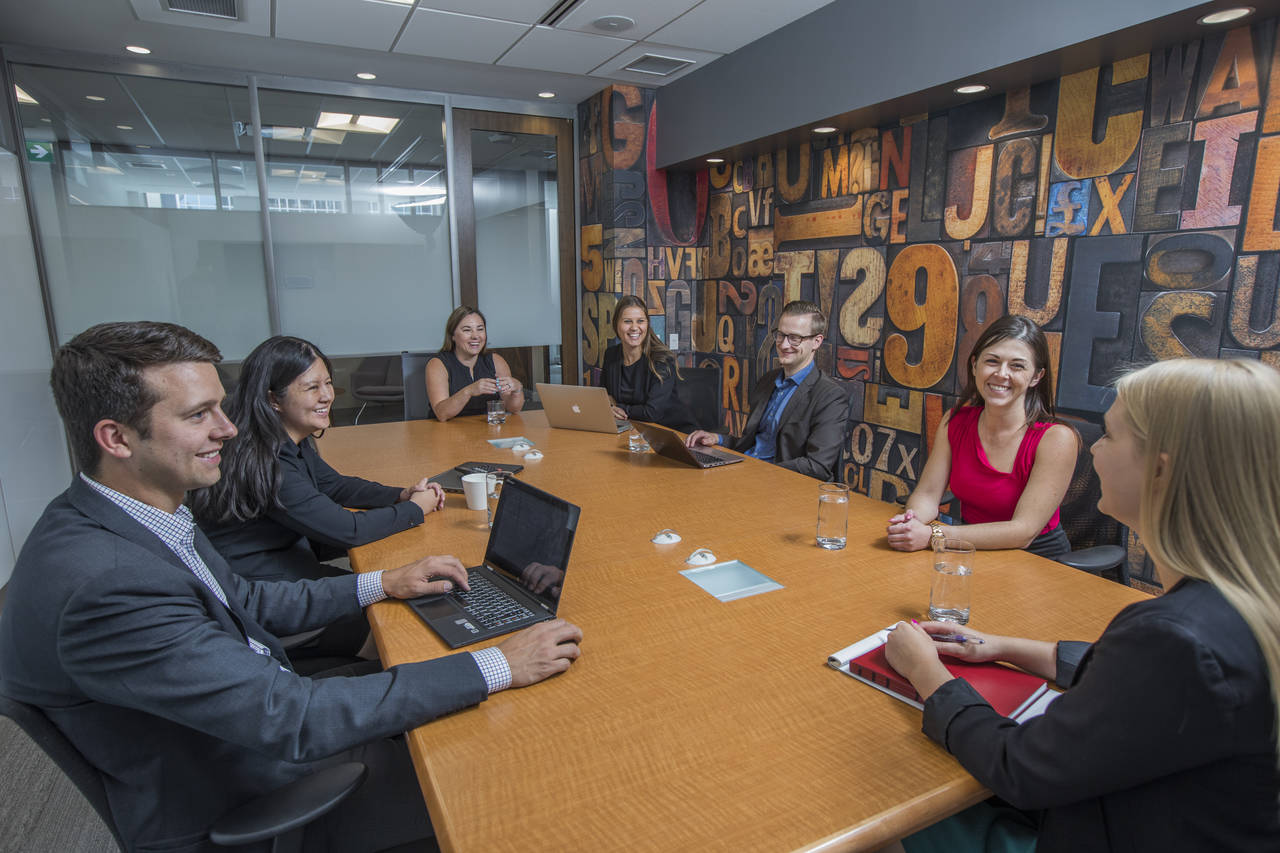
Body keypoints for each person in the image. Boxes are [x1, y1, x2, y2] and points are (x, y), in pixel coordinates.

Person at [0, 321, 583, 853]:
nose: (228, 429)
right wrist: (498, 664)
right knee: (521, 768)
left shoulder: (132, 513)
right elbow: (295, 719)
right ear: (116, 438)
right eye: (199, 415)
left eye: (220, 409)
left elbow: (247, 600)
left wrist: (384, 581)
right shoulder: (107, 583)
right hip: (249, 789)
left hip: (251, 715)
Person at [882, 358, 1280, 853]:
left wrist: (927, 674)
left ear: (1160, 468)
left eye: (1110, 436)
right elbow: (1147, 686)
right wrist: (1004, 647)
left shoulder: (1175, 637)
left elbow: (1019, 768)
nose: (1094, 451)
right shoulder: (1243, 601)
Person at [191, 335, 444, 586]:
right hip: (260, 584)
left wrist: (401, 494)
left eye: (328, 383)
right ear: (273, 399)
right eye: (312, 388)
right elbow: (349, 530)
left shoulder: (285, 438)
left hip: (285, 555)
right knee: (384, 599)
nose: (327, 396)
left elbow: (334, 485)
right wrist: (416, 508)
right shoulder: (266, 458)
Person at [886, 315, 1076, 558]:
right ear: (975, 365)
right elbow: (927, 494)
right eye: (992, 361)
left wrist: (933, 537)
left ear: (1036, 376)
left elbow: (1023, 531)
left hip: (1036, 561)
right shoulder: (955, 420)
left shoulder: (1056, 438)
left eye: (1017, 366)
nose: (1001, 374)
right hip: (967, 549)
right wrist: (911, 521)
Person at [684, 300, 846, 480]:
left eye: (795, 338)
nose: (784, 345)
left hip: (780, 487)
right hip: (745, 473)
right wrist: (717, 439)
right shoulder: (767, 381)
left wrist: (757, 471)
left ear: (816, 341)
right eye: (780, 335)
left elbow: (817, 466)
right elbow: (754, 443)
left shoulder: (830, 396)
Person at [600, 294, 696, 431]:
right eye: (627, 321)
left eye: (640, 321)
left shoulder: (662, 361)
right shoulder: (611, 355)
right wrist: (609, 408)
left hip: (672, 433)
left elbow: (652, 413)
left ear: (647, 324)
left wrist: (618, 407)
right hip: (633, 431)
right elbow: (604, 396)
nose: (634, 327)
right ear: (616, 324)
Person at [426, 306, 524, 421]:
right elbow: (441, 414)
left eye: (480, 329)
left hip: (486, 428)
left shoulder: (496, 361)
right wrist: (468, 391)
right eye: (467, 330)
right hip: (447, 431)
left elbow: (513, 409)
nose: (475, 336)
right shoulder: (438, 364)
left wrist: (517, 390)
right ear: (452, 335)